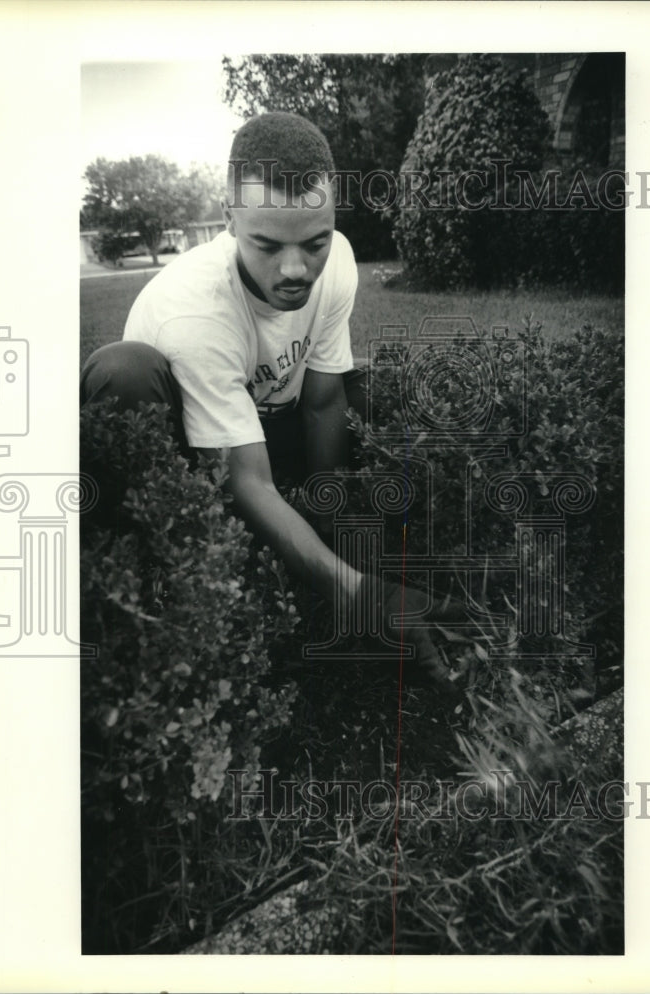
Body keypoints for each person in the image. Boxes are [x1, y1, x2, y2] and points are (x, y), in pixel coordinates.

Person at [80, 111, 462, 688]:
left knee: (384, 390)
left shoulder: (338, 265)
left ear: (333, 217)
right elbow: (246, 479)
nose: (295, 269)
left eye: (315, 242)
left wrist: (335, 532)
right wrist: (357, 592)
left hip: (268, 422)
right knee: (123, 369)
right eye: (266, 244)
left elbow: (324, 400)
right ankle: (161, 567)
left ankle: (326, 536)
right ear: (230, 221)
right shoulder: (195, 310)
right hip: (192, 450)